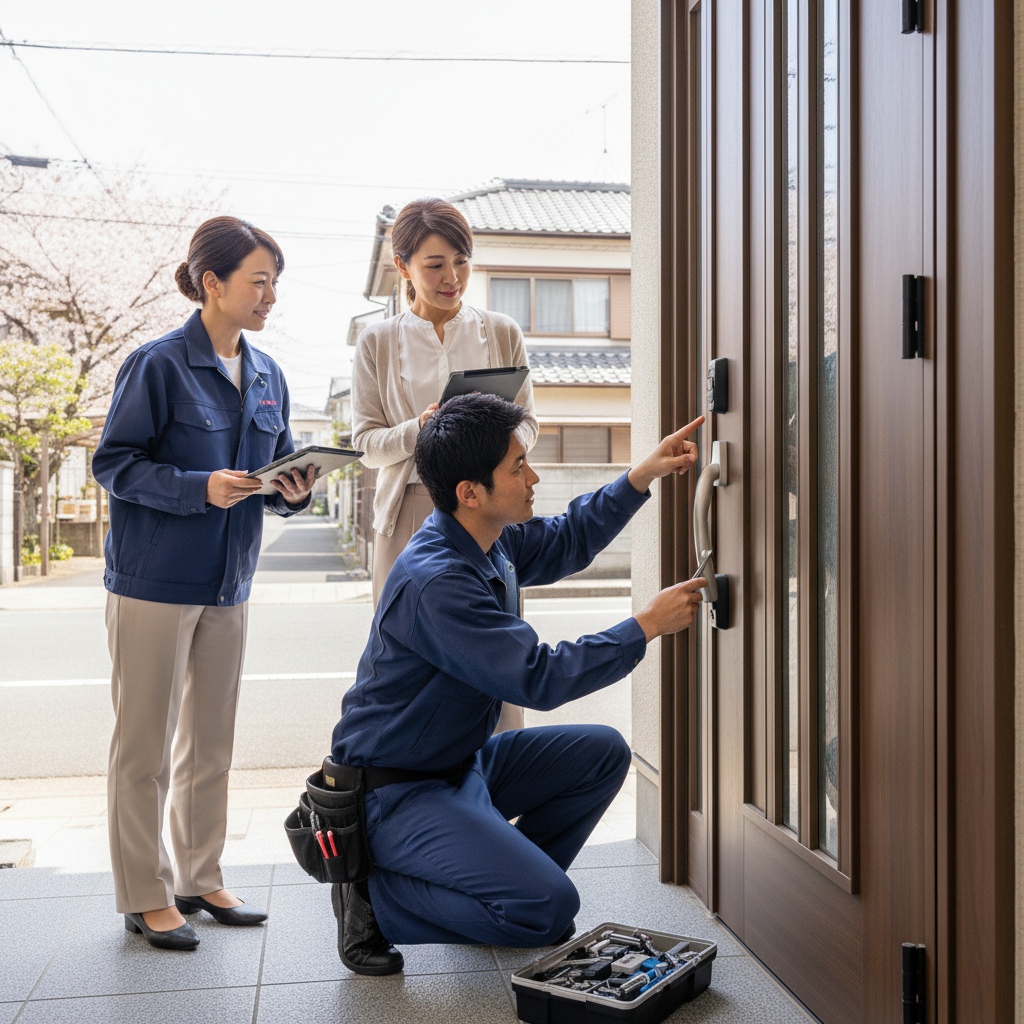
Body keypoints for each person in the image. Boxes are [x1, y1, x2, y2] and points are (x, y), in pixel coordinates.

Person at [327, 393, 706, 975]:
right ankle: (375, 901)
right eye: (517, 467)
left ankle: (502, 888)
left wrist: (641, 476)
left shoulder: (485, 537)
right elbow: (539, 676)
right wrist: (646, 625)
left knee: (602, 753)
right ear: (470, 492)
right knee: (548, 912)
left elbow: (566, 540)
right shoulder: (437, 582)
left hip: (460, 768)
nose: (533, 477)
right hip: (396, 794)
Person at [93, 216, 316, 950]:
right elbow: (114, 464)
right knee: (144, 749)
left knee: (211, 744)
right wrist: (199, 487)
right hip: (153, 581)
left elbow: (277, 469)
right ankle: (144, 892)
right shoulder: (156, 364)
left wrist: (295, 490)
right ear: (212, 283)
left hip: (229, 581)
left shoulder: (268, 373)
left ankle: (199, 874)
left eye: (275, 282)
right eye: (260, 281)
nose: (271, 295)